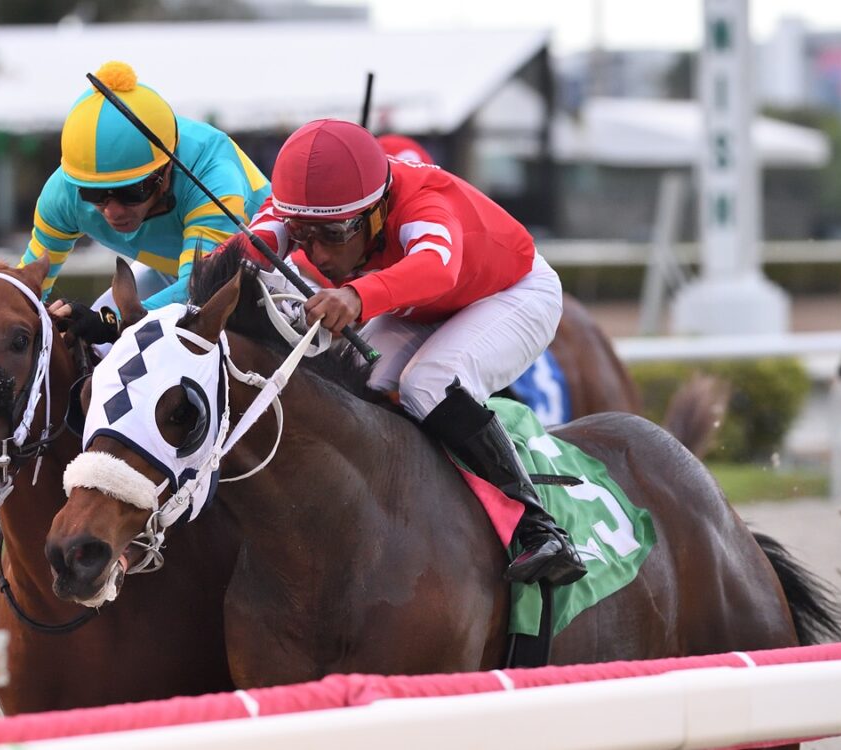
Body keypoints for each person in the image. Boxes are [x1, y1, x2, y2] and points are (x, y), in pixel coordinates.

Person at [241, 119, 585, 586]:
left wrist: (358, 297)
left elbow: (436, 268)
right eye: (303, 234)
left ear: (376, 212)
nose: (317, 254)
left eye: (334, 235)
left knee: (428, 382)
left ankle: (538, 528)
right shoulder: (308, 207)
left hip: (512, 291)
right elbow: (248, 250)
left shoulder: (423, 200)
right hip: (427, 305)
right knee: (361, 383)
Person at [19, 61, 271, 340]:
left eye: (131, 191)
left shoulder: (215, 176)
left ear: (166, 169)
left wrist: (112, 323)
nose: (112, 211)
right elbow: (25, 287)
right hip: (178, 272)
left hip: (267, 278)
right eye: (94, 194)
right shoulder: (63, 192)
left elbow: (200, 290)